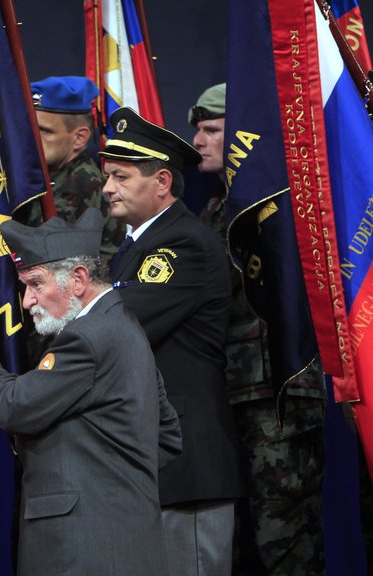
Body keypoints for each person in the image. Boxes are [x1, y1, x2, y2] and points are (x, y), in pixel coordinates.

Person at [0, 208, 182, 576]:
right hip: (125, 541)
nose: (26, 301)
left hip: (82, 548)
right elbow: (166, 437)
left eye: (35, 284)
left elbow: (12, 405)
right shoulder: (125, 328)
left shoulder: (88, 338)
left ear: (78, 279)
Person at [101, 106, 245, 576]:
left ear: (162, 181)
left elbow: (120, 326)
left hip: (187, 464)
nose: (107, 189)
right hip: (152, 460)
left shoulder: (183, 243)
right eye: (108, 176)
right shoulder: (134, 246)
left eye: (121, 177)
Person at [190, 83, 326, 575]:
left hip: (279, 390)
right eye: (197, 130)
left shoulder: (281, 201)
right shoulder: (215, 207)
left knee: (284, 537)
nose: (199, 141)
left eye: (211, 130)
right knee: (243, 544)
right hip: (233, 391)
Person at [28, 75, 125, 260]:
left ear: (79, 138)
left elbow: (43, 259)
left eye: (45, 131)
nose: (32, 139)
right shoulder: (51, 174)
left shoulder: (82, 185)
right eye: (31, 129)